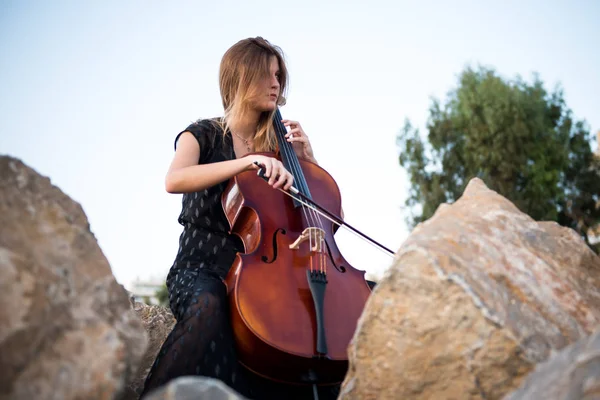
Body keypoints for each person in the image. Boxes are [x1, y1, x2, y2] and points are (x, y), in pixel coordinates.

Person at [140, 37, 341, 400]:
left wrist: (309, 161)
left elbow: (325, 221)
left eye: (279, 75)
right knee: (209, 307)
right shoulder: (200, 134)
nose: (276, 83)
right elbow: (175, 180)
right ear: (240, 77)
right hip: (201, 269)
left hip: (261, 279)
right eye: (266, 74)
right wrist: (248, 162)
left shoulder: (280, 151)